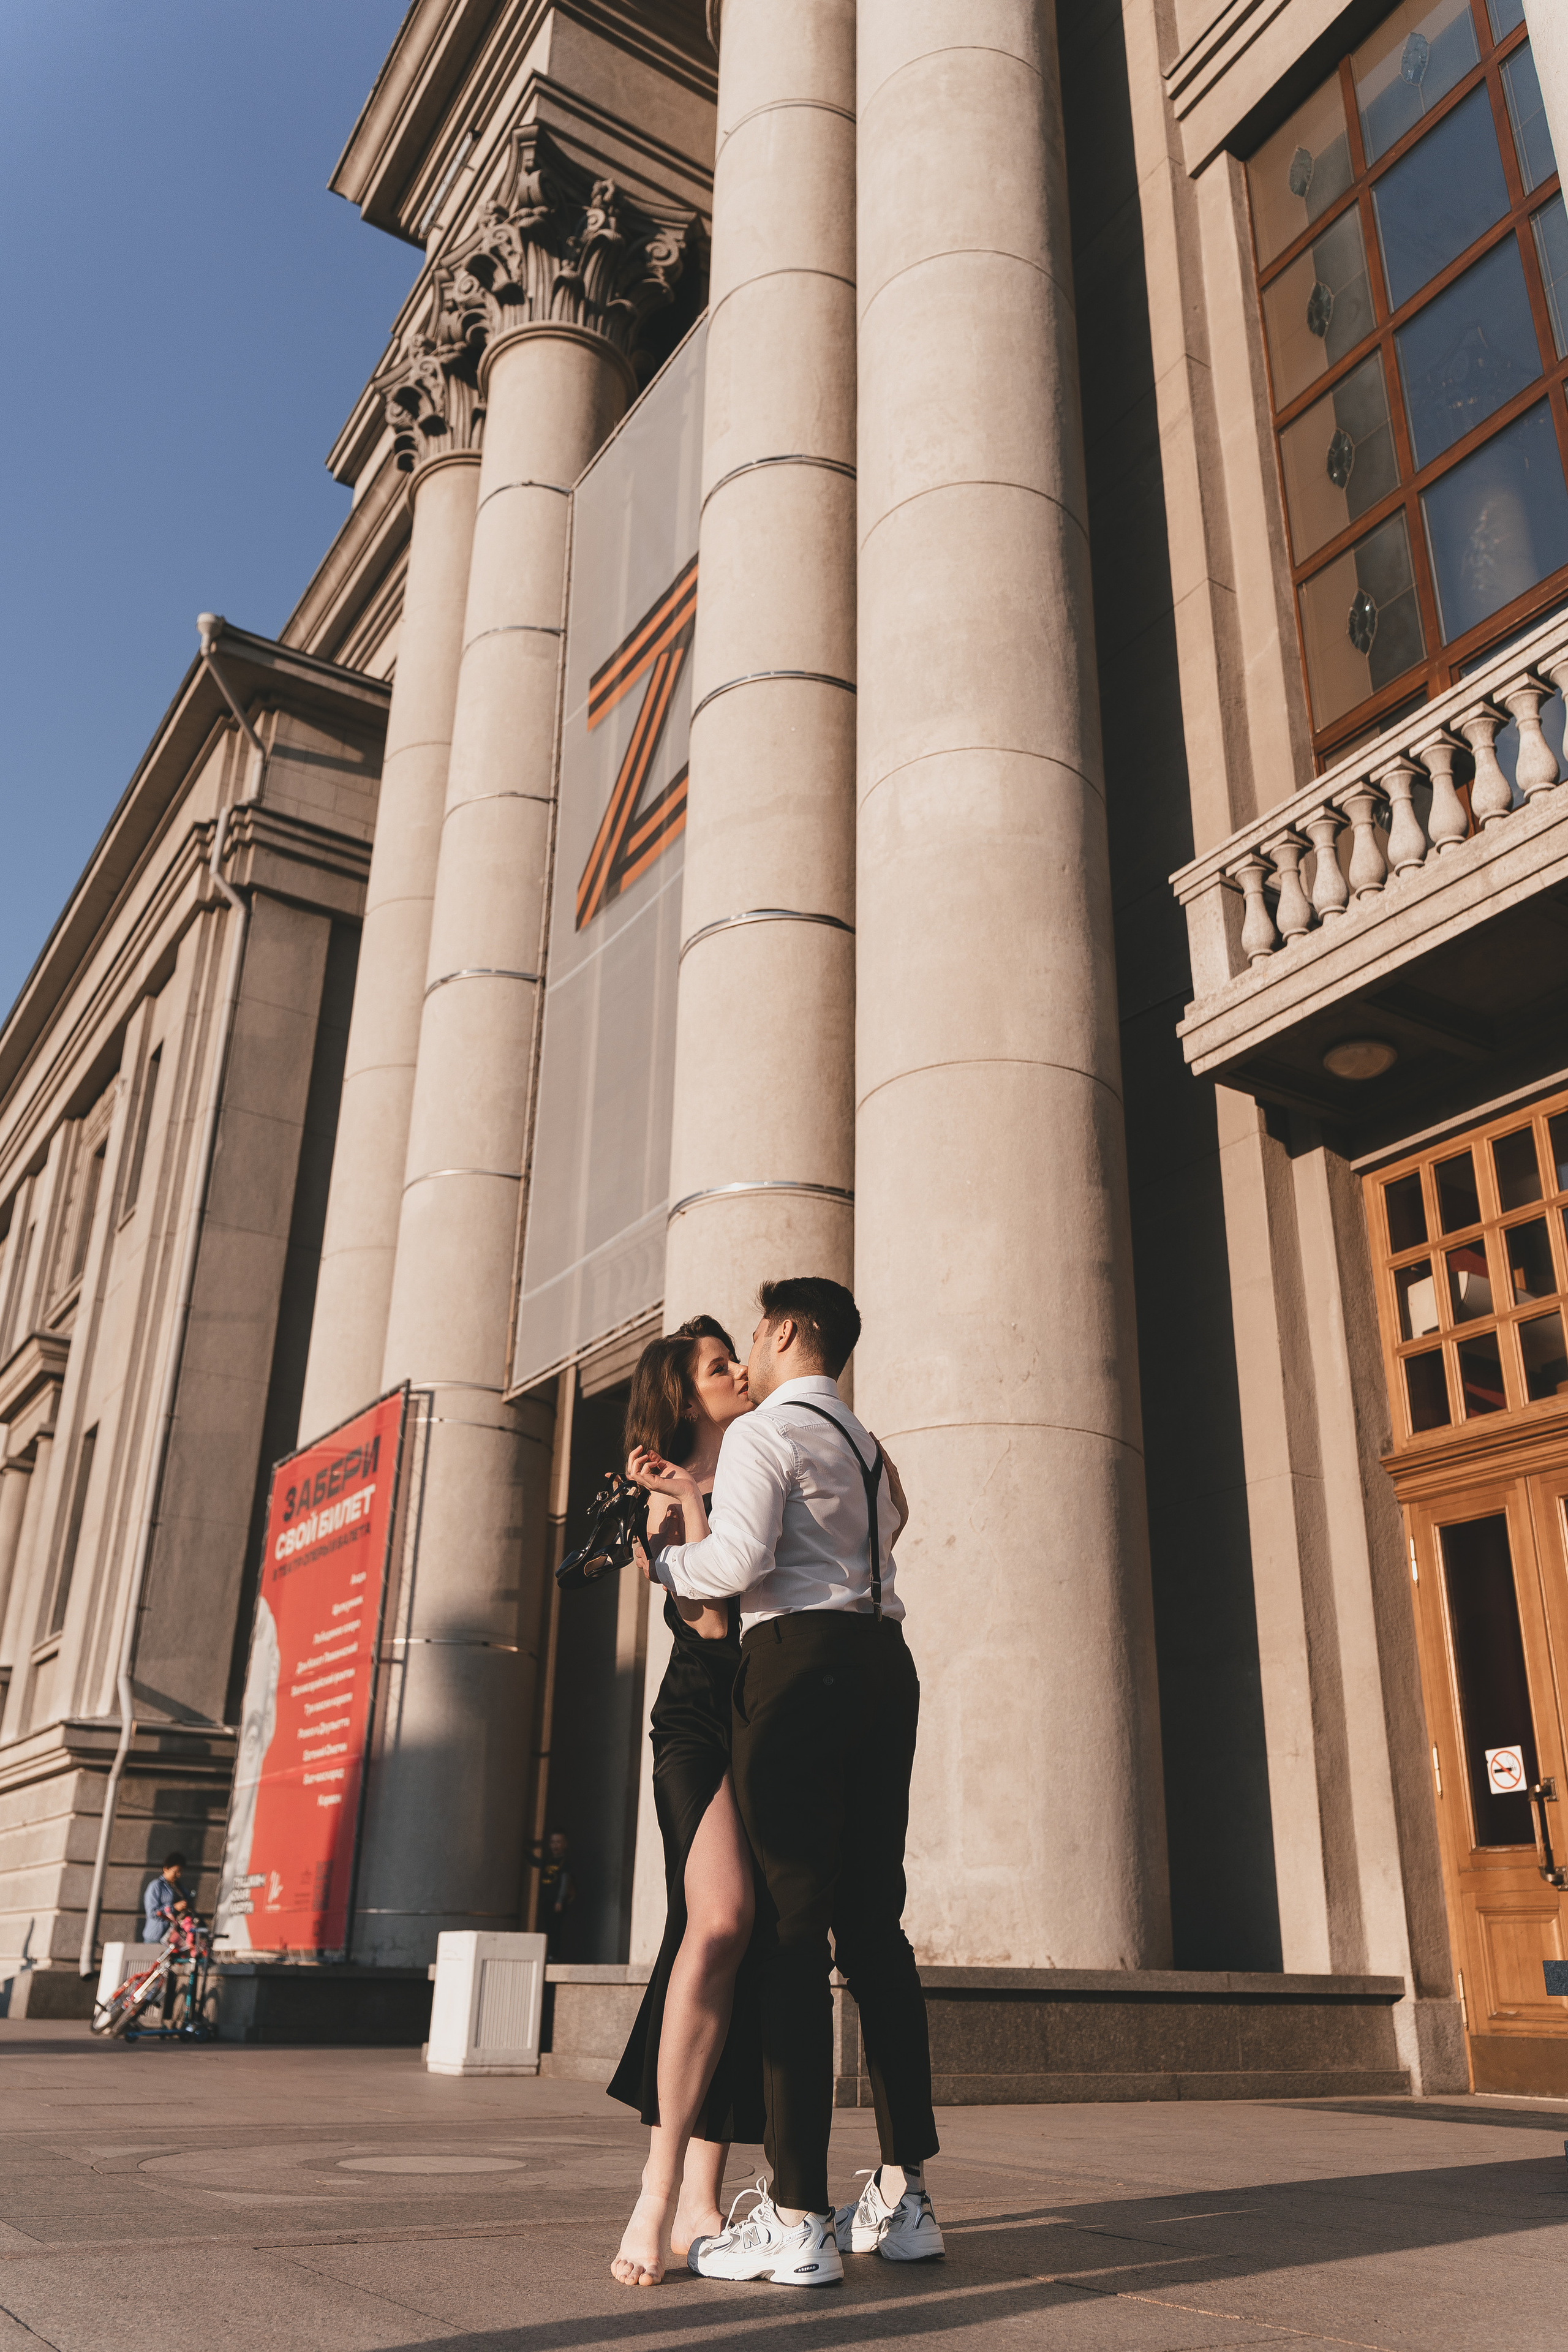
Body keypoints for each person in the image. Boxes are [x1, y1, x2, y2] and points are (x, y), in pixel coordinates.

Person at [630, 1276, 942, 2288]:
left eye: (751, 1340)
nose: (745, 1359)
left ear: (781, 1333)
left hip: (796, 1671)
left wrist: (668, 1569)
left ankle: (800, 2211)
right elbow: (887, 1535)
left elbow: (734, 1562)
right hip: (884, 1670)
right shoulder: (870, 1446)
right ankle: (906, 2195)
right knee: (877, 1930)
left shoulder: (769, 1431)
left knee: (793, 1935)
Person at [608, 1316, 763, 2289]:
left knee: (745, 1944)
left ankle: (705, 2198)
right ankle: (657, 2190)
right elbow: (707, 1620)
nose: (739, 1373)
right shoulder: (660, 1504)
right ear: (683, 1395)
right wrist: (692, 1503)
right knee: (719, 1921)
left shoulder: (758, 1469)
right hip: (700, 1723)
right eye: (718, 1368)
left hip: (773, 1721)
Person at [536, 1831, 575, 1959]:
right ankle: (546, 1953)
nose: (555, 1845)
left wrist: (559, 1900)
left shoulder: (564, 1863)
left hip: (556, 1902)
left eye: (558, 1842)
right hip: (546, 1899)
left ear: (565, 1844)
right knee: (546, 1926)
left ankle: (553, 1955)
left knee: (555, 1928)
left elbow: (565, 1883)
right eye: (552, 1842)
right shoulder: (548, 1861)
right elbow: (535, 1862)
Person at [143, 1852, 190, 1945]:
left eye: (181, 1871)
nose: (178, 1875)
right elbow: (152, 1912)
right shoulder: (156, 1886)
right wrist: (174, 1907)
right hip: (155, 1938)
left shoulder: (179, 1888)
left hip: (174, 1939)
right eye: (176, 1871)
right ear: (166, 1869)